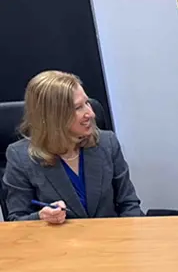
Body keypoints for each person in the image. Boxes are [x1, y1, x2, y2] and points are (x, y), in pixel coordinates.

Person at [3, 71, 143, 223]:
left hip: (112, 236)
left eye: (87, 103)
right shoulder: (20, 157)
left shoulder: (107, 143)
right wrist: (41, 217)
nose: (91, 114)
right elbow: (17, 220)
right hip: (58, 238)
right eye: (78, 108)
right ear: (53, 116)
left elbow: (129, 204)